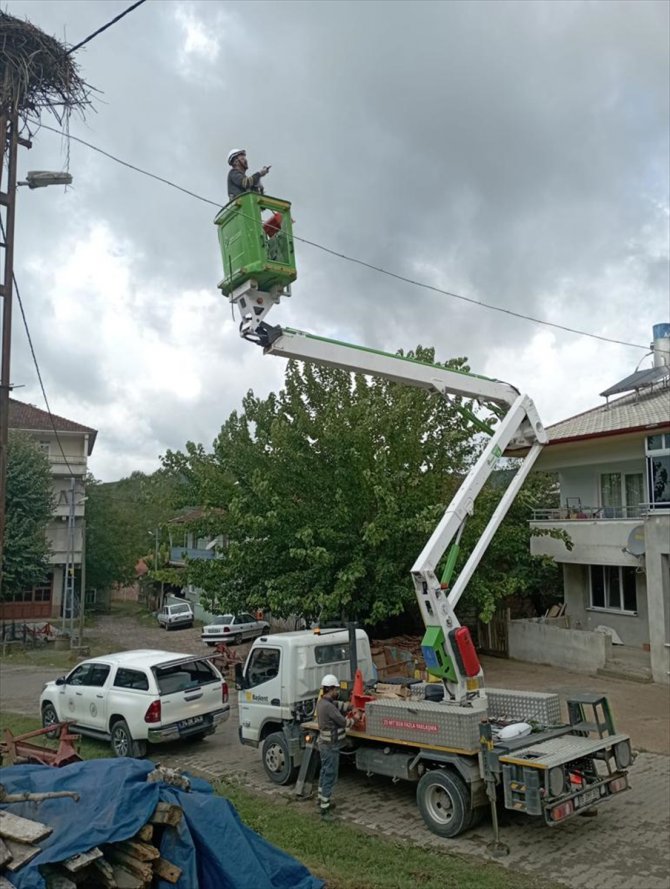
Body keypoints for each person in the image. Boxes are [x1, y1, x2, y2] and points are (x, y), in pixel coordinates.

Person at [316, 673, 356, 822]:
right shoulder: (328, 707)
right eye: (336, 690)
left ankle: (320, 800)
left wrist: (350, 706)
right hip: (330, 746)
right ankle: (325, 809)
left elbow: (338, 705)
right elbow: (343, 722)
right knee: (330, 775)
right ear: (331, 689)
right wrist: (354, 718)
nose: (337, 692)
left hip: (324, 745)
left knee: (324, 771)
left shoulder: (323, 702)